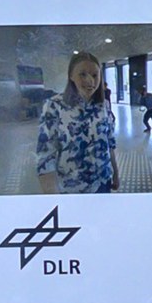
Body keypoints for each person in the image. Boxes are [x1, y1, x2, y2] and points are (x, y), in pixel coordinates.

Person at [35, 46, 118, 193]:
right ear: (71, 76)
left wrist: (115, 173)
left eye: (95, 75)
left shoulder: (103, 105)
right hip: (72, 188)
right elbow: (45, 156)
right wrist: (53, 198)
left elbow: (109, 143)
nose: (90, 80)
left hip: (103, 182)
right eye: (83, 74)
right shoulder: (54, 106)